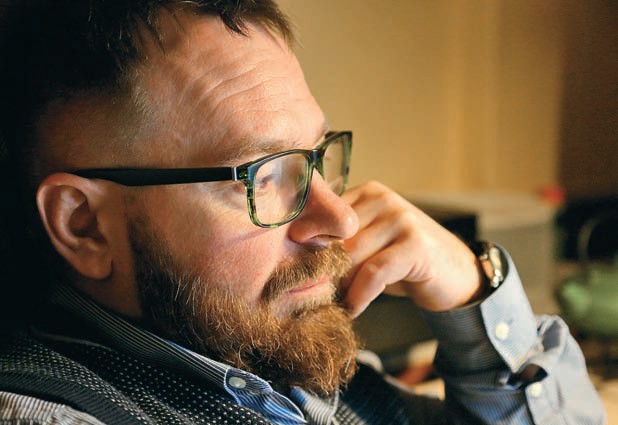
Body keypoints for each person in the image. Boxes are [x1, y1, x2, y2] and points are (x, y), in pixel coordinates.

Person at [0, 1, 606, 424]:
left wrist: (473, 295)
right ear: (84, 225)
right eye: (262, 174)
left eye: (315, 157)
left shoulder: (270, 363)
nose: (340, 220)